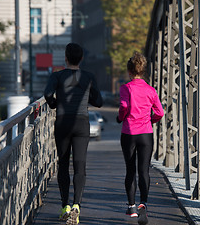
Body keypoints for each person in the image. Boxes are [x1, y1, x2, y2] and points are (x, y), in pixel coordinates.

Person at [44, 43, 103, 224]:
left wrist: (55, 104)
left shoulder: (57, 76)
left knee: (63, 164)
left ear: (66, 58)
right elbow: (99, 102)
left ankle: (65, 207)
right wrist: (88, 96)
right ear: (82, 58)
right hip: (81, 124)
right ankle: (77, 205)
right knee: (80, 165)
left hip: (62, 123)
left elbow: (47, 94)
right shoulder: (88, 76)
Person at [117, 52, 164, 225]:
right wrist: (150, 120)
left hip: (129, 133)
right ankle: (144, 203)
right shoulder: (151, 90)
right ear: (144, 71)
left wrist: (121, 117)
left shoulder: (126, 88)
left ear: (129, 71)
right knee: (144, 170)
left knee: (130, 170)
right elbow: (160, 112)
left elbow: (123, 106)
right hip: (146, 133)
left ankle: (131, 207)